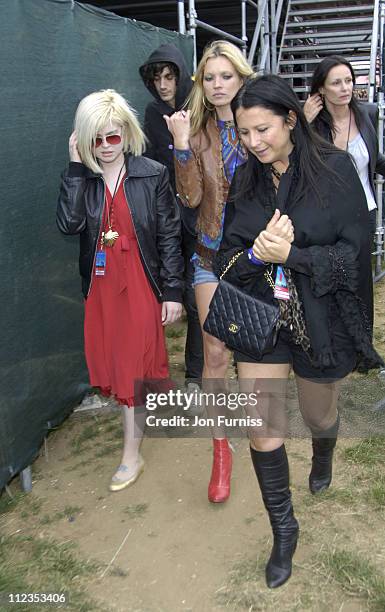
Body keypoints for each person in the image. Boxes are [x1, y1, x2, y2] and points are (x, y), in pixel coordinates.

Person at [217, 74, 383, 588]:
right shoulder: (245, 180)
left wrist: (292, 255)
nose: (253, 143)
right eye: (244, 134)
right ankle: (284, 530)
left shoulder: (334, 170)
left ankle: (323, 449)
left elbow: (354, 259)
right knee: (263, 428)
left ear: (290, 119)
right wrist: (254, 252)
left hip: (319, 318)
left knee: (319, 413)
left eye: (262, 130)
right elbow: (226, 258)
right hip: (263, 319)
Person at [57, 89, 183, 492]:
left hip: (141, 282)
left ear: (126, 133)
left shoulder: (152, 173)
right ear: (83, 139)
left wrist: (174, 291)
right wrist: (76, 168)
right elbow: (69, 224)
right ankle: (141, 419)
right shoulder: (85, 178)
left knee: (131, 364)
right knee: (117, 361)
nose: (107, 147)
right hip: (101, 286)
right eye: (96, 139)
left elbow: (168, 235)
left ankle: (132, 454)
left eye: (113, 136)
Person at [164, 40, 254, 503]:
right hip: (208, 258)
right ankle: (221, 451)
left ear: (241, 78)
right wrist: (181, 146)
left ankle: (265, 443)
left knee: (256, 356)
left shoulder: (260, 122)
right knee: (215, 356)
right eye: (210, 77)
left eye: (227, 76)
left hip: (258, 259)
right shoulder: (195, 131)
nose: (218, 86)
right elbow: (192, 200)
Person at [139, 44, 204, 397]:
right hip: (164, 219)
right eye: (157, 78)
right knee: (162, 294)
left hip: (196, 215)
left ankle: (196, 375)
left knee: (196, 297)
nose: (163, 85)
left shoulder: (199, 110)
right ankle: (155, 372)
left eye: (169, 77)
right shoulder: (151, 113)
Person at [303, 55, 385, 238]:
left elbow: (374, 158)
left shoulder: (367, 114)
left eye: (348, 81)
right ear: (321, 89)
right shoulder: (313, 124)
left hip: (365, 211)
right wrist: (304, 122)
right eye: (336, 83)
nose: (345, 88)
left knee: (362, 266)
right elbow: (294, 159)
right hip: (326, 215)